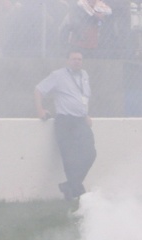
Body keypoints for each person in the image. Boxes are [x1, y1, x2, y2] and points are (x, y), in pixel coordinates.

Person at [35, 50, 97, 201]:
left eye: (80, 59)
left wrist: (85, 114)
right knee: (69, 157)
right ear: (68, 60)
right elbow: (39, 89)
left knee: (90, 154)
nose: (77, 61)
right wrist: (40, 110)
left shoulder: (84, 76)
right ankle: (76, 191)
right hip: (65, 121)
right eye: (74, 59)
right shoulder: (58, 75)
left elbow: (81, 98)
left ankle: (70, 186)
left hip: (80, 121)